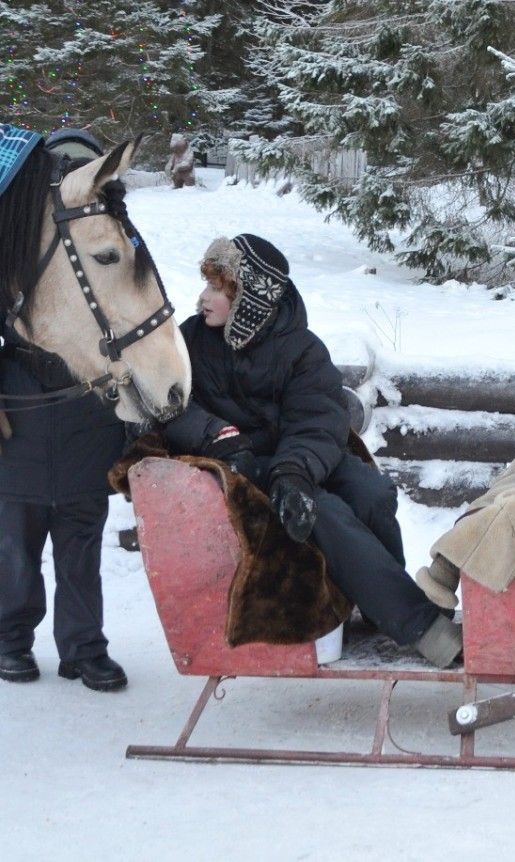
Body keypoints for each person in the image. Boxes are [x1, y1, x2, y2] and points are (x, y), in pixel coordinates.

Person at [160, 234, 461, 667]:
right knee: (327, 512)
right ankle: (421, 626)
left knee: (371, 492)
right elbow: (169, 405)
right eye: (206, 285)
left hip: (301, 457)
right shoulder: (188, 343)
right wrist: (215, 434)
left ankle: (379, 604)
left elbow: (317, 420)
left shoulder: (302, 349)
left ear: (248, 300)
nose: (202, 297)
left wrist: (294, 473)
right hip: (242, 464)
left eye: (216, 289)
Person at [0, 126, 129, 690]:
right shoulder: (12, 247)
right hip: (18, 420)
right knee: (14, 548)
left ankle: (83, 647)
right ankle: (9, 640)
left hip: (85, 418)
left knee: (80, 548)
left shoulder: (108, 245)